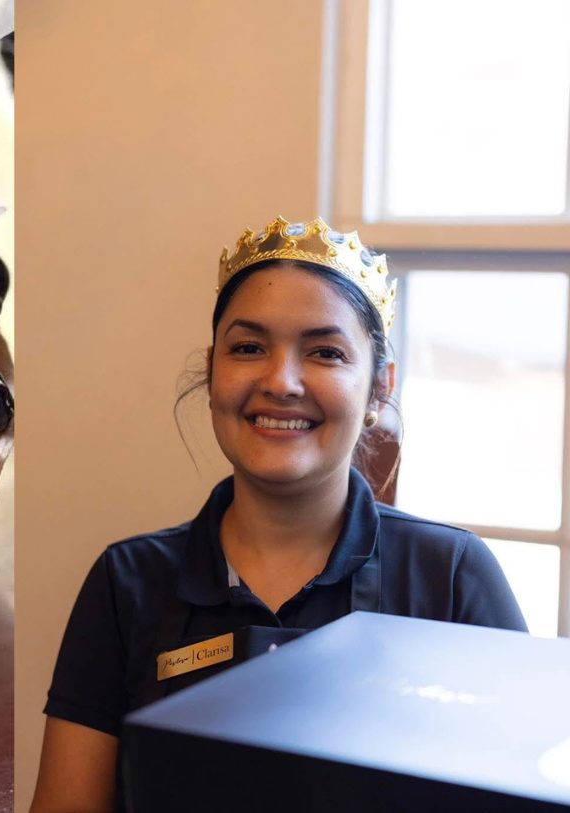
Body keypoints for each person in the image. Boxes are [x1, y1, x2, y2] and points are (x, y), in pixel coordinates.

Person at [29, 216, 528, 813]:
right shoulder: (127, 583)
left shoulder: (451, 577)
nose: (281, 381)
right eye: (248, 348)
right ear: (213, 370)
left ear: (379, 388)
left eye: (325, 351)